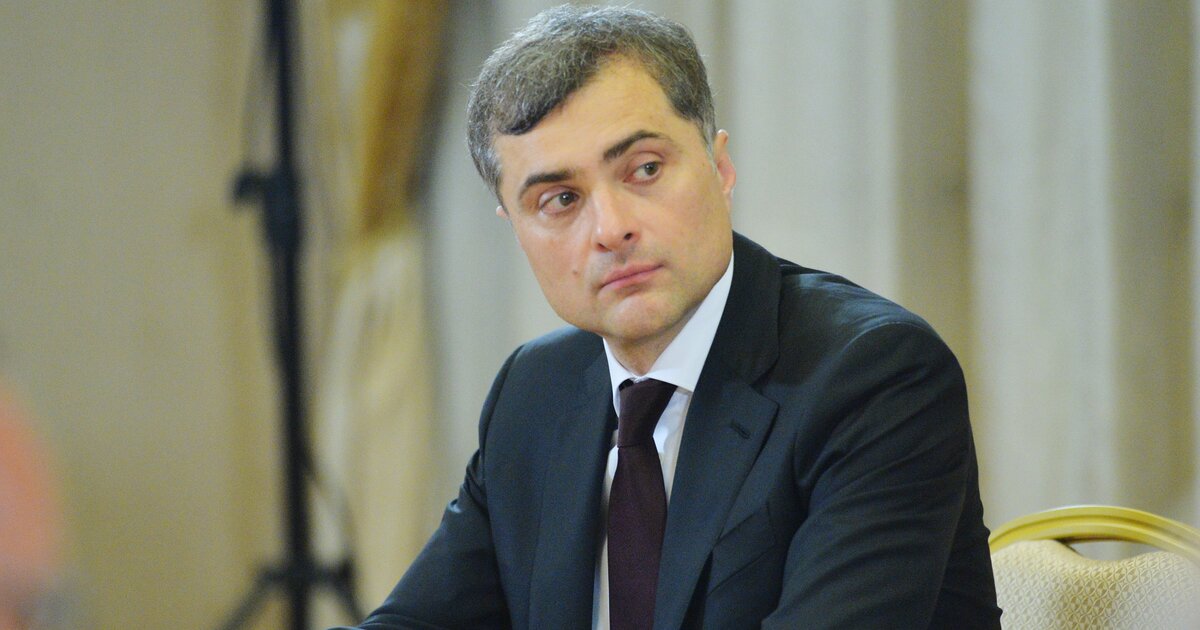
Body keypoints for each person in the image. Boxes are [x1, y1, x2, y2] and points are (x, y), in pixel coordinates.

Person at [338, 5, 1000, 629]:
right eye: (561, 199)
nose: (611, 229)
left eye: (645, 169)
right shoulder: (534, 394)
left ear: (720, 166)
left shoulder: (875, 378)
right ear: (514, 226)